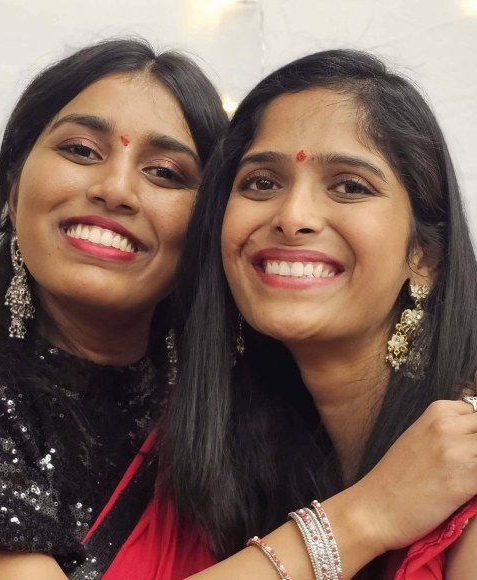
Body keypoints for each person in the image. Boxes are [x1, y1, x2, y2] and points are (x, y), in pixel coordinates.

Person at [0, 38, 228, 579]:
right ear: (15, 192)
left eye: (164, 172)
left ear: (207, 229)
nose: (116, 189)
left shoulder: (224, 417)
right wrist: (360, 520)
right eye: (82, 151)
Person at [161, 49, 477, 579]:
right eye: (262, 182)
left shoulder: (466, 463)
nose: (292, 217)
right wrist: (367, 513)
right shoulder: (244, 454)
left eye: (350, 186)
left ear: (426, 258)